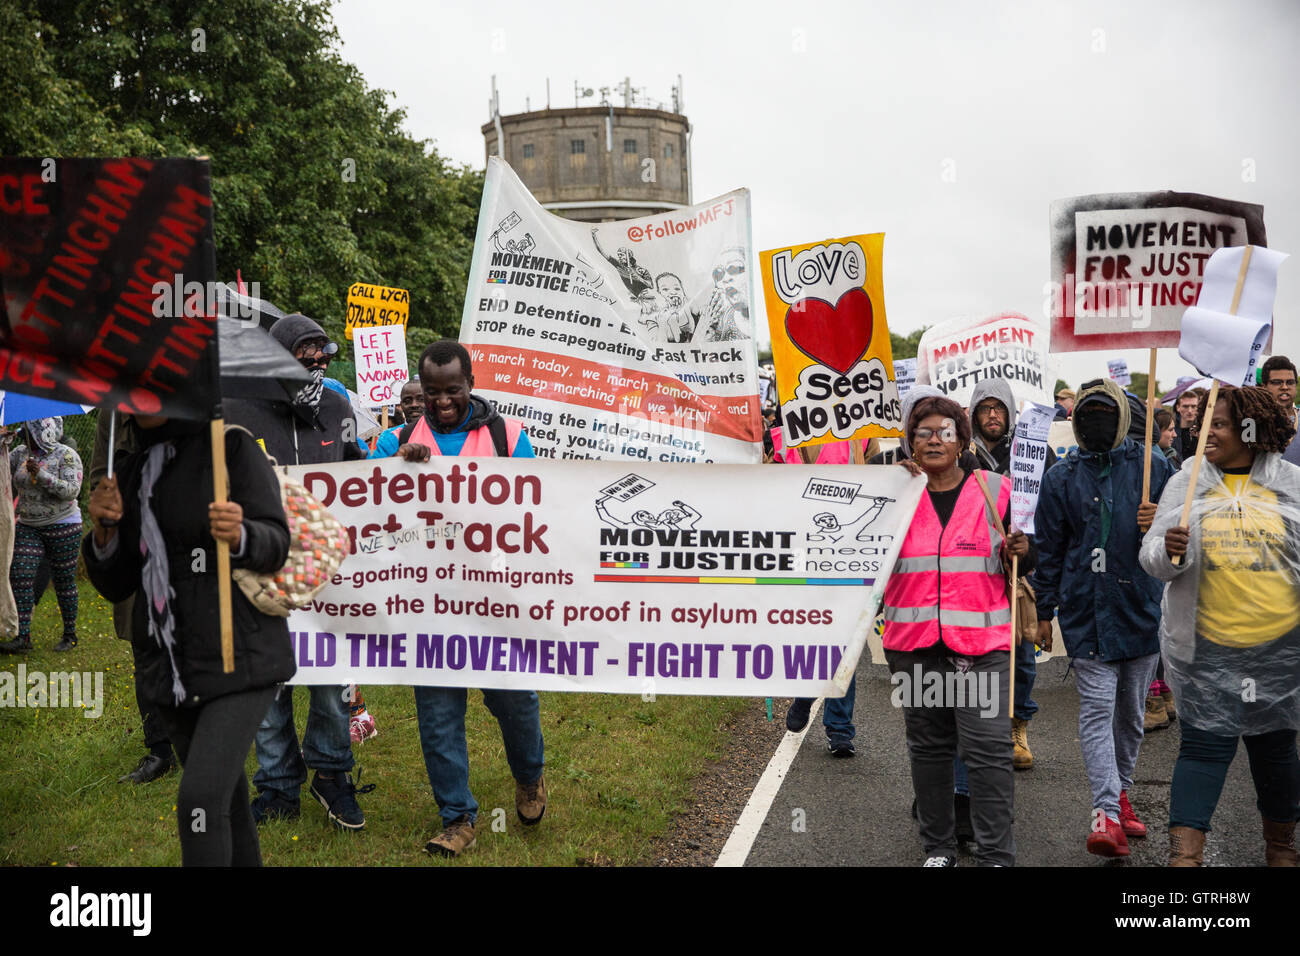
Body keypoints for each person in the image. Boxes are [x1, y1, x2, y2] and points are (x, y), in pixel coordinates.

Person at [83, 416, 294, 866]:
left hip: (240, 660)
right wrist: (104, 532)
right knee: (227, 804)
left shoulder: (231, 448)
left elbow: (277, 545)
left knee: (198, 802)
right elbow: (120, 584)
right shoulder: (129, 468)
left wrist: (242, 534)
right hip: (170, 670)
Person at [392, 340, 546, 858]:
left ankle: (529, 779)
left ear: (470, 384)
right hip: (428, 604)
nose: (440, 402)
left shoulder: (508, 437)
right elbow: (372, 510)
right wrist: (398, 468)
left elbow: (535, 512)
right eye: (431, 392)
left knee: (513, 701)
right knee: (437, 714)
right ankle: (457, 817)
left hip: (495, 601)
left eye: (451, 391)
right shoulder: (396, 441)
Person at [1140, 385, 1300, 867]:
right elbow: (1151, 560)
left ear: (1255, 430)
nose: (1206, 431)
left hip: (1277, 652)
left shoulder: (1290, 484)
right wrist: (1170, 548)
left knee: (1274, 751)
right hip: (1206, 652)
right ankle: (1184, 859)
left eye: (1222, 424)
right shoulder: (1187, 482)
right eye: (1204, 422)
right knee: (1203, 750)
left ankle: (1281, 848)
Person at [225, 312, 370, 831]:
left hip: (325, 569)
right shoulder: (236, 409)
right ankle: (278, 786)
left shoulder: (336, 405)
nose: (314, 363)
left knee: (330, 681)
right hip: (259, 567)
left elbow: (361, 474)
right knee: (269, 685)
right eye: (301, 353)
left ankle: (332, 774)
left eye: (321, 355)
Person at [883, 394, 1033, 867]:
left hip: (981, 649)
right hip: (915, 650)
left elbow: (1031, 560)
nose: (933, 440)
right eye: (923, 432)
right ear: (910, 441)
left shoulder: (997, 490)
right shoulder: (893, 496)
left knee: (988, 754)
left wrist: (1021, 550)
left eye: (944, 432)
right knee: (929, 753)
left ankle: (995, 854)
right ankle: (938, 849)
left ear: (961, 441)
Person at [1032, 378, 1175, 858]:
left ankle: (1122, 793)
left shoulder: (1154, 467)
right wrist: (1044, 611)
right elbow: (1049, 550)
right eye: (1086, 414)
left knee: (1131, 718)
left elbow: (1181, 541)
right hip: (1085, 611)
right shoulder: (1060, 477)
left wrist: (1160, 522)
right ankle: (1105, 813)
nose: (1095, 422)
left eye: (1105, 413)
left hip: (1139, 609)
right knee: (1097, 711)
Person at [968, 381, 1058, 772]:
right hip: (972, 573)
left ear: (1009, 413)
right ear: (973, 413)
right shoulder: (960, 454)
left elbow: (1051, 516)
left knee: (1021, 654)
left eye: (998, 408)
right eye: (985, 408)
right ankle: (980, 729)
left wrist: (1032, 555)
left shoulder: (1033, 455)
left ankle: (1017, 726)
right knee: (974, 657)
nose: (992, 415)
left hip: (1021, 571)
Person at [89, 412, 177, 783]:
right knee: (146, 650)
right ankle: (159, 749)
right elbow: (98, 478)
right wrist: (109, 502)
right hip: (138, 551)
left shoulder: (194, 403)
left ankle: (202, 738)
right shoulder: (112, 417)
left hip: (189, 549)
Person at [0, 417, 82, 654]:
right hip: (28, 524)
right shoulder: (20, 453)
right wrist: (4, 445)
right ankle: (22, 637)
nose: (29, 433)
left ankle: (69, 634)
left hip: (63, 524)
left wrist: (42, 475)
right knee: (20, 574)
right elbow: (6, 474)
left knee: (64, 581)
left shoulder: (66, 455)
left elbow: (71, 491)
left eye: (33, 429)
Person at [368, 380, 425, 459]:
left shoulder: (443, 433)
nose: (414, 405)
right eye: (408, 401)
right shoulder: (388, 437)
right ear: (401, 405)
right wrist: (395, 459)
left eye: (421, 399)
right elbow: (374, 468)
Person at [1260, 356, 1300, 465]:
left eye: (1290, 382)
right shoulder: (1250, 422)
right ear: (1264, 387)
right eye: (1277, 382)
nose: (1284, 387)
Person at [1175, 387, 1205, 461]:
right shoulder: (1170, 431)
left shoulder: (1205, 430)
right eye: (1185, 406)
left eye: (1193, 406)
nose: (1190, 410)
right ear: (1178, 407)